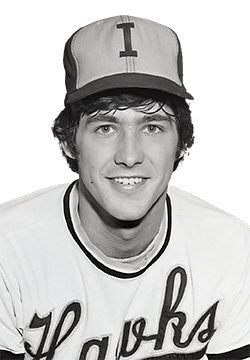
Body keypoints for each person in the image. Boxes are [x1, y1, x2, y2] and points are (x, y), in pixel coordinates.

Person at [0, 15, 250, 360]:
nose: (129, 156)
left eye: (152, 127)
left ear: (181, 144)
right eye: (105, 127)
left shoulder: (234, 251)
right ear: (71, 143)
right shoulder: (7, 250)